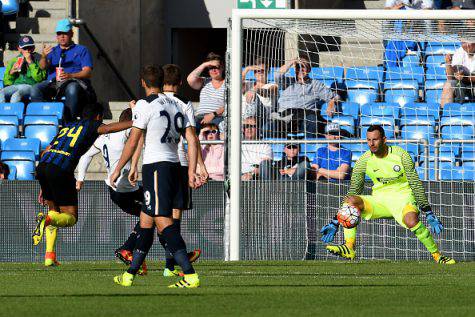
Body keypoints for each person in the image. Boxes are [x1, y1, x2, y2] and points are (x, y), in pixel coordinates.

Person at [110, 66, 202, 288]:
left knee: (162, 220)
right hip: (173, 166)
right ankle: (130, 275)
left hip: (156, 168)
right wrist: (191, 169)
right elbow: (191, 137)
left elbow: (134, 139)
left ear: (143, 83)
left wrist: (119, 167)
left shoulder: (144, 104)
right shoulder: (178, 104)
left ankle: (189, 274)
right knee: (146, 219)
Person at [320, 125, 456, 264]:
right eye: (368, 140)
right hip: (380, 200)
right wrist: (335, 221)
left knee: (411, 221)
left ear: (384, 139)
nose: (371, 144)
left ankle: (437, 255)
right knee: (351, 200)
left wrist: (427, 211)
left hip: (403, 198)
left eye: (375, 139)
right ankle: (349, 247)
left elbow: (415, 183)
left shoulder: (401, 155)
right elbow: (355, 190)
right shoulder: (363, 161)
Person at [32, 102, 132, 267]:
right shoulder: (92, 124)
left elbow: (47, 150)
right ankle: (46, 220)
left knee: (54, 211)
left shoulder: (67, 126)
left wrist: (43, 185)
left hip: (43, 166)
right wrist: (137, 121)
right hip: (61, 169)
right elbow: (107, 129)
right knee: (70, 217)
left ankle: (49, 256)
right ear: (98, 117)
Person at [76, 107, 148, 274]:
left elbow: (85, 155)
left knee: (150, 217)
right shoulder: (128, 131)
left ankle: (133, 253)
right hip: (126, 188)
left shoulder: (103, 137)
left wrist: (80, 179)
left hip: (113, 189)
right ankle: (130, 250)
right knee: (155, 213)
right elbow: (137, 140)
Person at [159, 63, 208, 277]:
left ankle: (169, 261)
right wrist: (200, 166)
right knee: (175, 213)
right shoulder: (185, 103)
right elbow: (191, 137)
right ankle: (171, 265)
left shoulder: (154, 102)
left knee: (159, 214)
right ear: (180, 83)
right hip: (179, 162)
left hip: (156, 161)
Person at [30, 18, 95, 122]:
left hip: (74, 81)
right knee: (35, 89)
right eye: (59, 34)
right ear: (56, 36)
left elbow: (87, 72)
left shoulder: (81, 49)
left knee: (72, 88)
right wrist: (43, 56)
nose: (62, 36)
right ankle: (42, 121)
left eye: (65, 33)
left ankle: (70, 122)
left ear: (71, 34)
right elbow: (42, 67)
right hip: (54, 83)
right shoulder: (53, 51)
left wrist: (70, 75)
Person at [274, 57, 339, 137]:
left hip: (304, 117)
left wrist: (332, 102)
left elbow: (335, 96)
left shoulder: (315, 85)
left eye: (303, 67)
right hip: (285, 116)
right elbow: (277, 75)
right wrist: (292, 62)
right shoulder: (287, 82)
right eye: (298, 67)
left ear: (309, 69)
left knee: (312, 119)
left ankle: (309, 147)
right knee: (269, 126)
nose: (301, 70)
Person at [187, 52, 225, 132]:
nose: (213, 70)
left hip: (218, 117)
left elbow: (230, 105)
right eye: (210, 68)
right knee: (189, 133)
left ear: (222, 67)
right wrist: (205, 64)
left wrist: (213, 114)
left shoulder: (228, 84)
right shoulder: (204, 81)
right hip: (200, 117)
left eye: (216, 67)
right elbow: (190, 79)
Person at [0, 36, 46, 103]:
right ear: (19, 49)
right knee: (1, 93)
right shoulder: (14, 61)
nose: (27, 51)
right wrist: (11, 72)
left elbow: (39, 79)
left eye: (29, 48)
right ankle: (3, 113)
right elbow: (6, 82)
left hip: (31, 86)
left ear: (33, 48)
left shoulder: (39, 59)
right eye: (24, 48)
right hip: (15, 85)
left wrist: (30, 62)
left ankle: (14, 113)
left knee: (16, 96)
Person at [241, 58, 278, 135]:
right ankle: (245, 123)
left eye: (262, 71)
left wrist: (254, 90)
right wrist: (246, 69)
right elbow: (236, 88)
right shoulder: (248, 84)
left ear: (267, 72)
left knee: (255, 98)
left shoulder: (273, 85)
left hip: (262, 118)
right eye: (257, 70)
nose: (260, 73)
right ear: (254, 73)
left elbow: (266, 92)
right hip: (244, 118)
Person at [441, 41, 475, 107]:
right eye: (463, 43)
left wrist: (465, 78)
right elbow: (450, 78)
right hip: (462, 82)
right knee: (448, 85)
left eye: (469, 42)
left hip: (472, 82)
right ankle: (446, 114)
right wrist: (448, 63)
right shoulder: (459, 52)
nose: (467, 45)